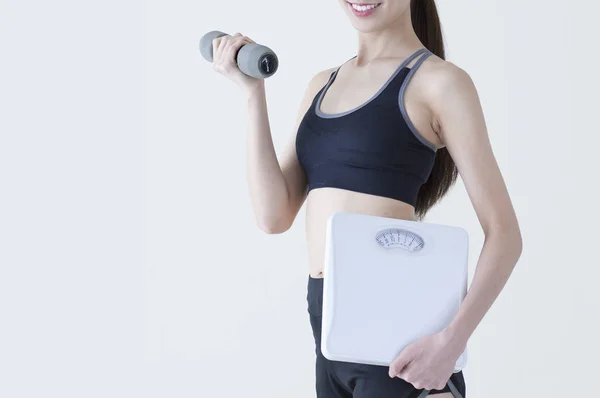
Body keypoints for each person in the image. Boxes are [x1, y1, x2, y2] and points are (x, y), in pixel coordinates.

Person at [210, 1, 522, 397]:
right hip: (327, 327)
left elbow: (505, 234)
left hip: (398, 337)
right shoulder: (322, 84)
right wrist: (253, 94)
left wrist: (451, 343)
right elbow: (274, 216)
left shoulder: (439, 82)